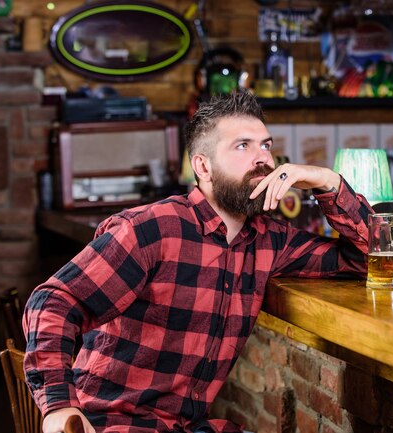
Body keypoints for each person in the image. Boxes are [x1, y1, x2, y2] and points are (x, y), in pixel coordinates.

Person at [23, 91, 372, 433]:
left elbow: (367, 256)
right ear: (202, 166)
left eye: (265, 145)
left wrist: (327, 180)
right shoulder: (152, 229)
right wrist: (58, 404)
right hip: (111, 422)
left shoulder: (269, 239)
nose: (262, 159)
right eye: (242, 146)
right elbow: (52, 302)